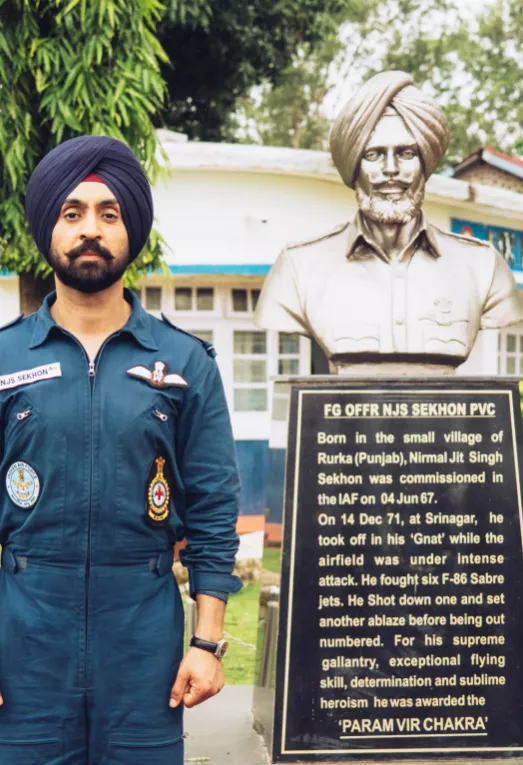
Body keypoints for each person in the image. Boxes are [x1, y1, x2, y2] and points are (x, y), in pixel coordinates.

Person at [0, 135, 241, 764]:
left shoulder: (184, 362)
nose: (90, 229)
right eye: (72, 212)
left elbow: (214, 506)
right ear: (48, 227)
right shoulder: (3, 358)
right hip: (25, 643)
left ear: (131, 231)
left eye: (109, 214)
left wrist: (207, 643)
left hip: (143, 646)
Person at [254, 70, 523, 374]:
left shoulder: (483, 267)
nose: (391, 169)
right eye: (373, 155)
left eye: (406, 153)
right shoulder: (297, 268)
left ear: (425, 164)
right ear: (354, 167)